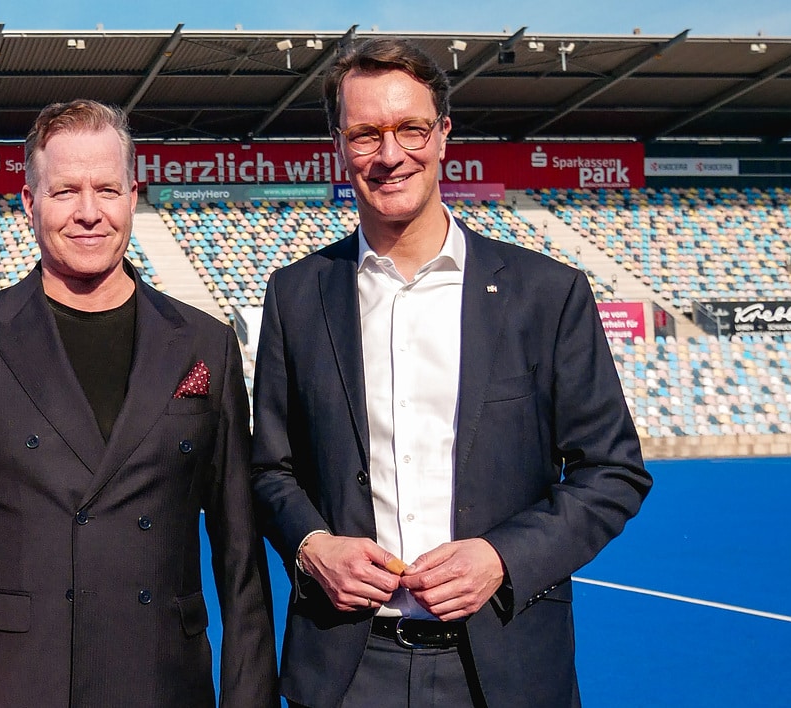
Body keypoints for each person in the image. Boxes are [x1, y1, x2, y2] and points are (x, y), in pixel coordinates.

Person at [250, 38, 652, 708]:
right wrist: (312, 543)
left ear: (443, 136)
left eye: (410, 127)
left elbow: (612, 472)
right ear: (338, 145)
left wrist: (502, 559)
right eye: (364, 133)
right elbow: (269, 468)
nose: (389, 154)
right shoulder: (296, 294)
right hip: (349, 670)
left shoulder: (545, 294)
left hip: (505, 663)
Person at [0, 99, 277, 708]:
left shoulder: (205, 343)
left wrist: (248, 698)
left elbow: (240, 554)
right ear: (29, 203)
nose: (89, 213)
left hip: (162, 682)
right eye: (65, 191)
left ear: (133, 196)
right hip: (12, 682)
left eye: (107, 190)